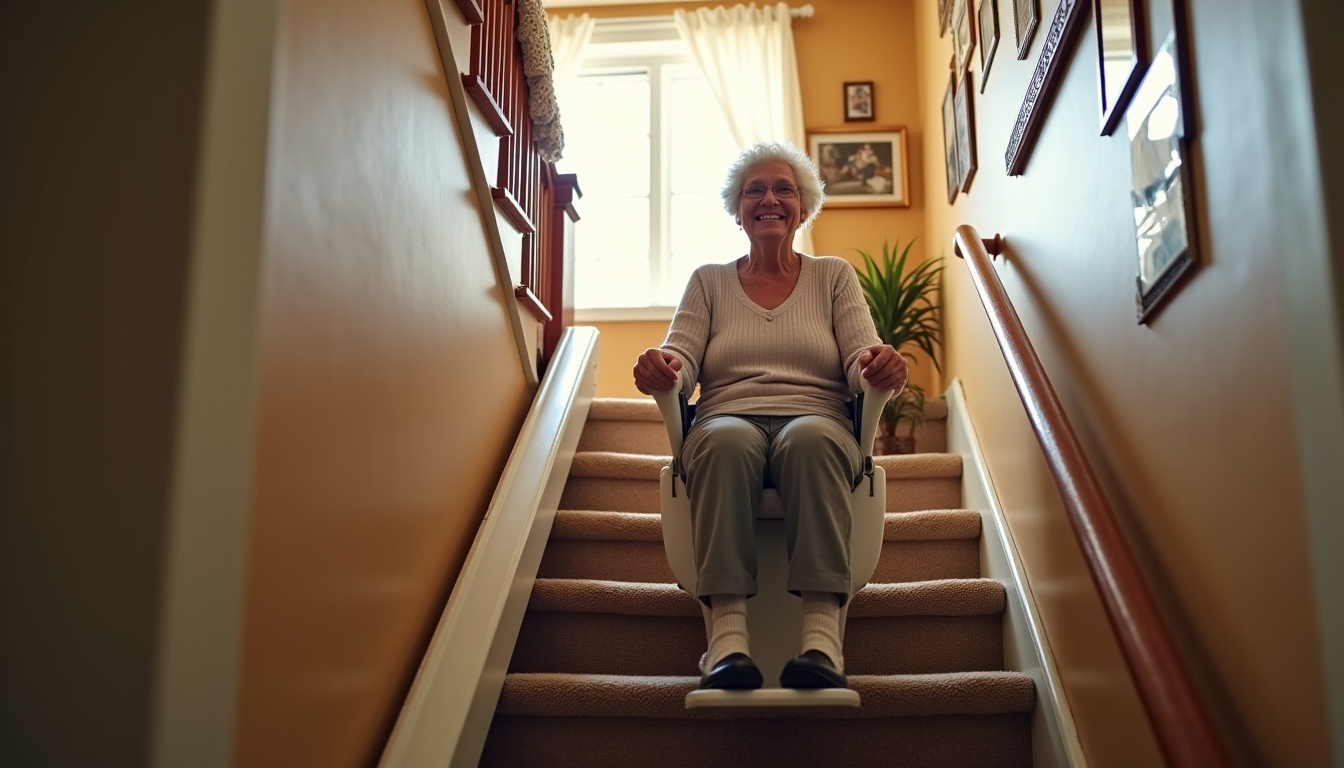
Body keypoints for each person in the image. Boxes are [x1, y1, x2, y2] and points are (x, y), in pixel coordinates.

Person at [632, 142, 908, 692]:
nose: (769, 199)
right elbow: (682, 356)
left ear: (803, 208)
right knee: (725, 443)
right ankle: (728, 646)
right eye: (754, 190)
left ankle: (823, 646)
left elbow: (860, 356)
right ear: (738, 210)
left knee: (810, 441)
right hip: (727, 416)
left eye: (783, 188)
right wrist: (666, 367)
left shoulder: (833, 277)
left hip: (816, 417)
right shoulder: (708, 281)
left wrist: (878, 364)